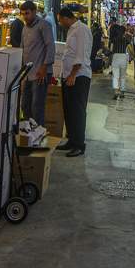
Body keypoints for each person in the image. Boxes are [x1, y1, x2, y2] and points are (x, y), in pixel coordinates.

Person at [57, 8, 92, 157]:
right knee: (69, 110)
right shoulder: (72, 29)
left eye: (60, 20)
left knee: (77, 112)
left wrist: (72, 74)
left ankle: (79, 145)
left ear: (66, 18)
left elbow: (81, 55)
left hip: (79, 76)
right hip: (69, 76)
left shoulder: (81, 30)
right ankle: (71, 140)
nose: (60, 23)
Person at [18, 1, 54, 125]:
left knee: (36, 107)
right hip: (27, 74)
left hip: (40, 73)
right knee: (25, 105)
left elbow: (50, 46)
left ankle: (38, 133)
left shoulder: (44, 25)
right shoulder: (24, 28)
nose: (25, 16)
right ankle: (28, 132)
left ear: (34, 12)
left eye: (27, 13)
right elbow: (22, 48)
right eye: (23, 14)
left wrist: (44, 67)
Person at [109, 23, 129, 99]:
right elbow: (128, 49)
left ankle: (116, 92)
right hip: (123, 57)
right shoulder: (126, 40)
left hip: (116, 57)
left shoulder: (114, 40)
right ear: (124, 32)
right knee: (123, 76)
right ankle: (122, 92)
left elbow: (111, 50)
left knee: (115, 76)